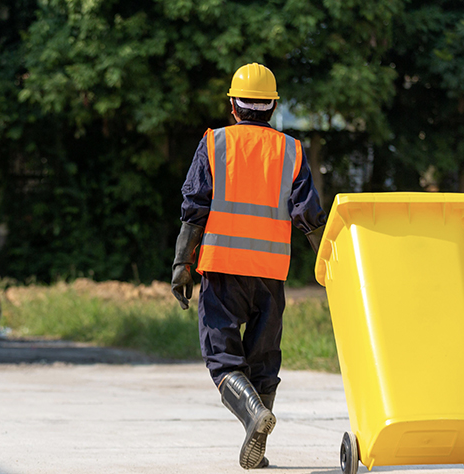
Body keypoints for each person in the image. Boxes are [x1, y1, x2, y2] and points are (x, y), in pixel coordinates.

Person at [171, 63, 327, 469]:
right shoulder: (291, 150)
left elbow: (194, 209)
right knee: (263, 359)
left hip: (222, 269)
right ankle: (258, 445)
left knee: (223, 357)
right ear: (272, 107)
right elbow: (308, 214)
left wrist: (182, 265)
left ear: (234, 106)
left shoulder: (215, 144)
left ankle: (254, 418)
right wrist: (331, 263)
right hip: (270, 274)